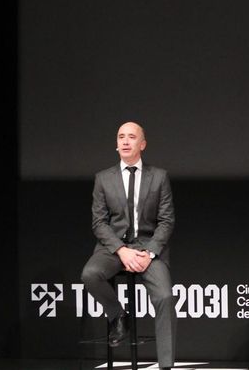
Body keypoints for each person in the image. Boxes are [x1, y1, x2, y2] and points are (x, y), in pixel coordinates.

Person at [80, 121, 176, 370]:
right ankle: (118, 315)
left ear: (142, 144)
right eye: (121, 136)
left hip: (147, 246)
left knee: (165, 296)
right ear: (116, 144)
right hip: (113, 247)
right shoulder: (103, 178)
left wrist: (149, 252)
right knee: (90, 275)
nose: (125, 141)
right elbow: (99, 223)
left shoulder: (159, 177)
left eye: (131, 137)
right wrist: (121, 251)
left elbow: (166, 221)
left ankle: (166, 365)